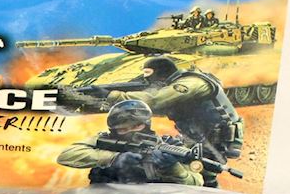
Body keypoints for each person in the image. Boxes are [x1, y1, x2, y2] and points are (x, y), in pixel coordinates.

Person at [104, 55, 243, 186]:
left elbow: (156, 100)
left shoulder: (193, 82)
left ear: (162, 72)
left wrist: (112, 95)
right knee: (180, 170)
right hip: (195, 137)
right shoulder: (174, 85)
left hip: (216, 138)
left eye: (148, 73)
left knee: (202, 175)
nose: (146, 79)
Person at [57, 99, 203, 186]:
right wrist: (115, 158)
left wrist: (172, 168)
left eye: (137, 126)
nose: (132, 132)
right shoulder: (106, 139)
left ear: (146, 124)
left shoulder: (170, 145)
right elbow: (67, 155)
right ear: (114, 130)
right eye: (123, 129)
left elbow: (196, 183)